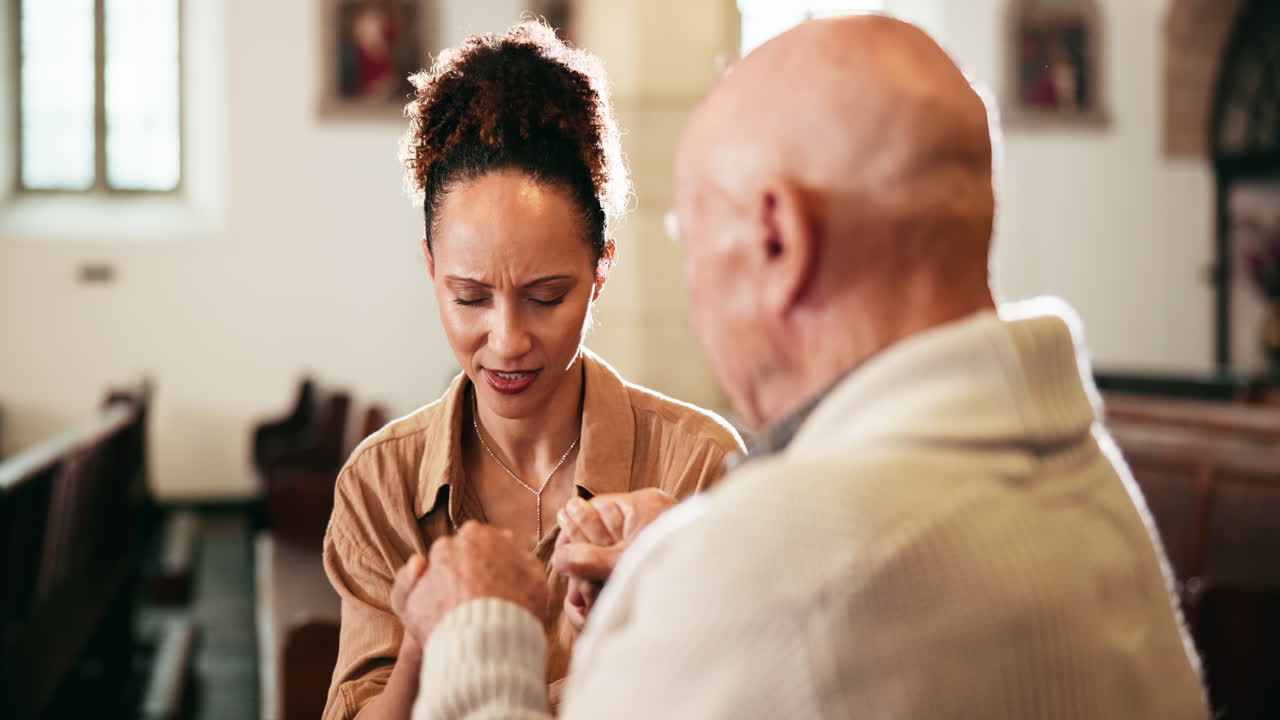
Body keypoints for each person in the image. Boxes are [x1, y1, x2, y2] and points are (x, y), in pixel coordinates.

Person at [390, 15, 1210, 720]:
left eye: (693, 236)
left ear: (778, 241)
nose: (694, 291)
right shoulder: (1092, 484)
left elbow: (797, 607)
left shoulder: (774, 570)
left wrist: (481, 629)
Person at [320, 21, 743, 720]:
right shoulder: (381, 484)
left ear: (601, 268)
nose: (508, 341)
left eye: (547, 297)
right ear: (430, 269)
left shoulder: (697, 468)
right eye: (471, 297)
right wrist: (428, 641)